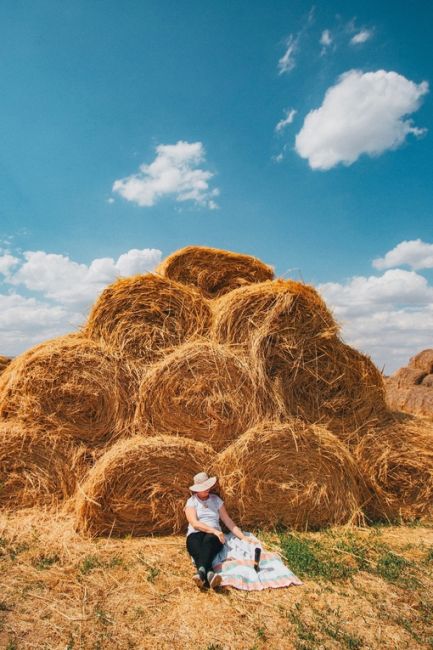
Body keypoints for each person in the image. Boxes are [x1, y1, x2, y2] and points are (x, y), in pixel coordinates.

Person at [184, 471, 255, 589]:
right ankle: (209, 573)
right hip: (196, 533)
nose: (207, 489)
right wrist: (214, 530)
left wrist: (243, 537)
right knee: (193, 542)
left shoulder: (216, 500)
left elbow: (228, 521)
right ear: (196, 489)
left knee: (209, 541)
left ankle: (201, 574)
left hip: (213, 536)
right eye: (203, 487)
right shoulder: (191, 501)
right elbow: (195, 524)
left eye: (208, 486)